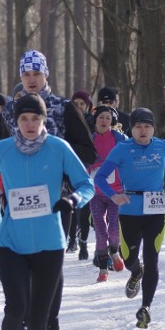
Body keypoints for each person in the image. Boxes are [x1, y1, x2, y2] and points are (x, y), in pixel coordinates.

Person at [0, 93, 94, 330]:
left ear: (44, 120)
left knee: (39, 316)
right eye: (24, 119)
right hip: (12, 242)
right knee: (16, 308)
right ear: (15, 121)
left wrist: (73, 200)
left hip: (49, 244)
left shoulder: (58, 148)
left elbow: (87, 184)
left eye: (36, 118)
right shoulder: (2, 150)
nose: (30, 125)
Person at [0, 50, 96, 330]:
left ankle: (49, 326)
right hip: (17, 201)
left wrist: (65, 173)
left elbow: (88, 150)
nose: (30, 80)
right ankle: (25, 329)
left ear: (46, 76)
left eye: (36, 74)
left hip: (56, 202)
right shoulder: (9, 111)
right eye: (25, 75)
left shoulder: (64, 107)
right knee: (19, 267)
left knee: (47, 267)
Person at [94, 108, 165, 329]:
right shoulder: (122, 149)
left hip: (156, 213)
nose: (143, 131)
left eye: (147, 126)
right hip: (130, 212)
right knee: (128, 258)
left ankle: (146, 308)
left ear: (153, 128)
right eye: (138, 127)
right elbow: (101, 177)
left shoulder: (162, 146)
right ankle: (136, 272)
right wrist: (114, 195)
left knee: (152, 258)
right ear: (131, 129)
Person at [89, 106, 127, 282]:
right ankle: (103, 269)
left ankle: (114, 250)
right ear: (95, 120)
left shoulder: (119, 139)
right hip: (96, 193)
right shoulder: (90, 140)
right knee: (100, 230)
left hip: (116, 192)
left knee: (113, 229)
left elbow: (129, 158)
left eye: (107, 118)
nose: (104, 121)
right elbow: (82, 161)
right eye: (101, 117)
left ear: (112, 121)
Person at [67, 90, 95, 260]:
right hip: (69, 168)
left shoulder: (93, 123)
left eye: (82, 104)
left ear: (88, 106)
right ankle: (72, 239)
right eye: (75, 104)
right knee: (69, 206)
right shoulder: (67, 122)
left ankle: (83, 242)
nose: (78, 107)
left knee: (83, 208)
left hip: (87, 169)